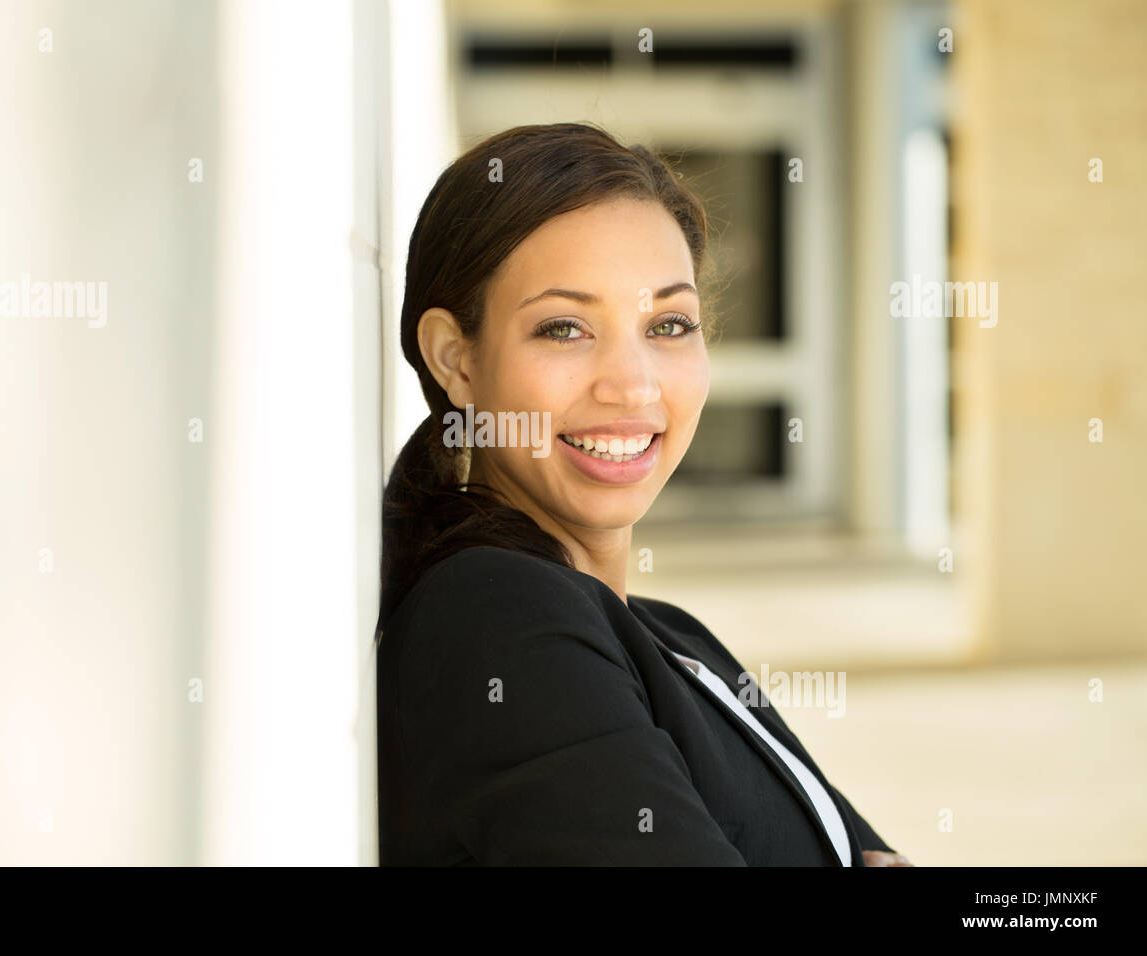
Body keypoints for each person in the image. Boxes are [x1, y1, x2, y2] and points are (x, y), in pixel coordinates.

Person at [376, 121, 911, 866]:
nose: (631, 385)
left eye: (668, 324)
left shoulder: (673, 636)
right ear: (455, 359)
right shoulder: (498, 617)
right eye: (564, 328)